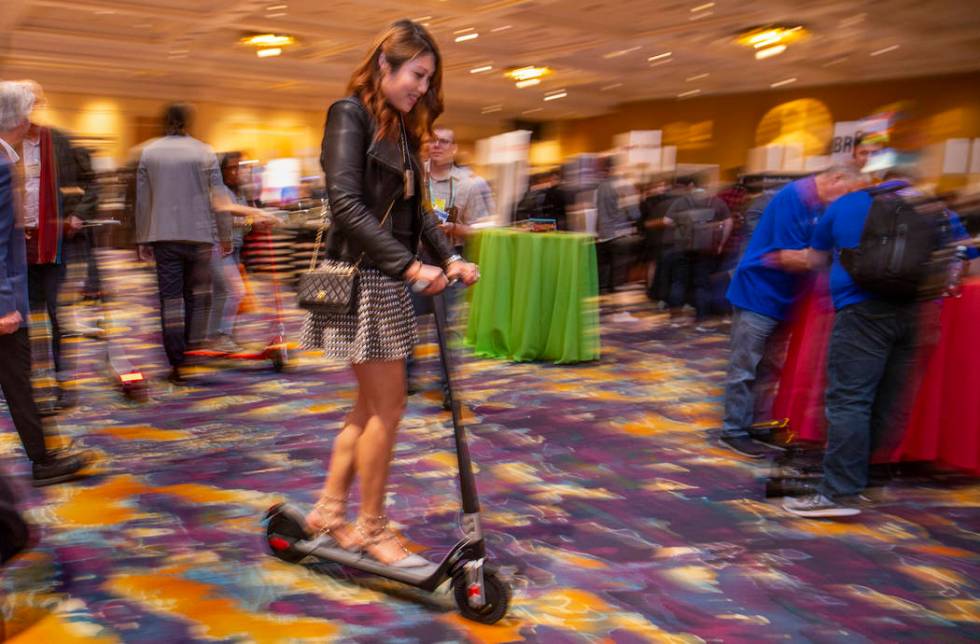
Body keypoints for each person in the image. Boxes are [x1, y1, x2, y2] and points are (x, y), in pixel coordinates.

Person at [300, 19, 479, 567]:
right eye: (416, 75)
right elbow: (347, 206)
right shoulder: (348, 114)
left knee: (370, 405)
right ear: (385, 65)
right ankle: (372, 527)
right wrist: (409, 268)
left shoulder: (400, 128)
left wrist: (447, 257)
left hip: (389, 279)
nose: (421, 88)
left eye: (428, 80)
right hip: (363, 280)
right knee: (389, 407)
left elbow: (417, 210)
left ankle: (329, 511)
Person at [784, 164, 978, 518]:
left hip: (861, 311)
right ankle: (870, 482)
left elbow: (815, 257)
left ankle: (839, 494)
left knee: (849, 399)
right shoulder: (936, 208)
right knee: (891, 399)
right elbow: (965, 257)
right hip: (917, 314)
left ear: (878, 179)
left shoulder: (849, 204)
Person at [720, 165, 856, 458]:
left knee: (769, 368)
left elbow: (810, 254)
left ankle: (756, 424)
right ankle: (733, 430)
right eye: (845, 193)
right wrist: (836, 256)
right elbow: (788, 257)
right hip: (758, 292)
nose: (843, 202)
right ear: (836, 178)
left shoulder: (820, 204)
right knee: (745, 366)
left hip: (785, 298)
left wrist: (820, 255)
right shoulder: (794, 197)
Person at [135, 104, 266, 383]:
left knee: (169, 300)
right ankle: (192, 348)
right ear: (188, 123)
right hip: (199, 236)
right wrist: (225, 236)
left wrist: (143, 238)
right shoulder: (204, 151)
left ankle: (176, 360)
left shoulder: (149, 152)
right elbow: (219, 199)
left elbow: (143, 201)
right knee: (196, 297)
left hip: (163, 236)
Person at [0, 81, 89, 486]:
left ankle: (43, 456)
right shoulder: (3, 162)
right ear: (19, 117)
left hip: (21, 275)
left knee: (19, 380)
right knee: (19, 379)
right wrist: (4, 304)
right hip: (4, 294)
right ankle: (43, 459)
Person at [407, 126, 494, 407]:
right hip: (414, 262)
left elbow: (481, 228)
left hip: (449, 262)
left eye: (444, 142)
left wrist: (456, 228)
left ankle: (449, 389)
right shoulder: (413, 177)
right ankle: (406, 380)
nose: (437, 146)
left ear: (454, 148)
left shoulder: (469, 183)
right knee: (407, 325)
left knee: (446, 330)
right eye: (431, 141)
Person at [664, 176, 732, 327]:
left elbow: (666, 221)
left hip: (682, 247)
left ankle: (676, 318)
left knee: (678, 281)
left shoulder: (682, 201)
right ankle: (702, 318)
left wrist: (680, 228)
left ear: (692, 185)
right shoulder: (716, 201)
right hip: (706, 249)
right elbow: (728, 222)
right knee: (702, 283)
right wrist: (720, 243)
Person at [595, 158, 640, 293]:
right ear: (616, 167)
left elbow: (599, 211)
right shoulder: (625, 185)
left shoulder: (600, 187)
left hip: (603, 235)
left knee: (603, 274)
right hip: (620, 234)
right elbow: (634, 214)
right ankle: (614, 307)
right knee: (618, 277)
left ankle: (602, 305)